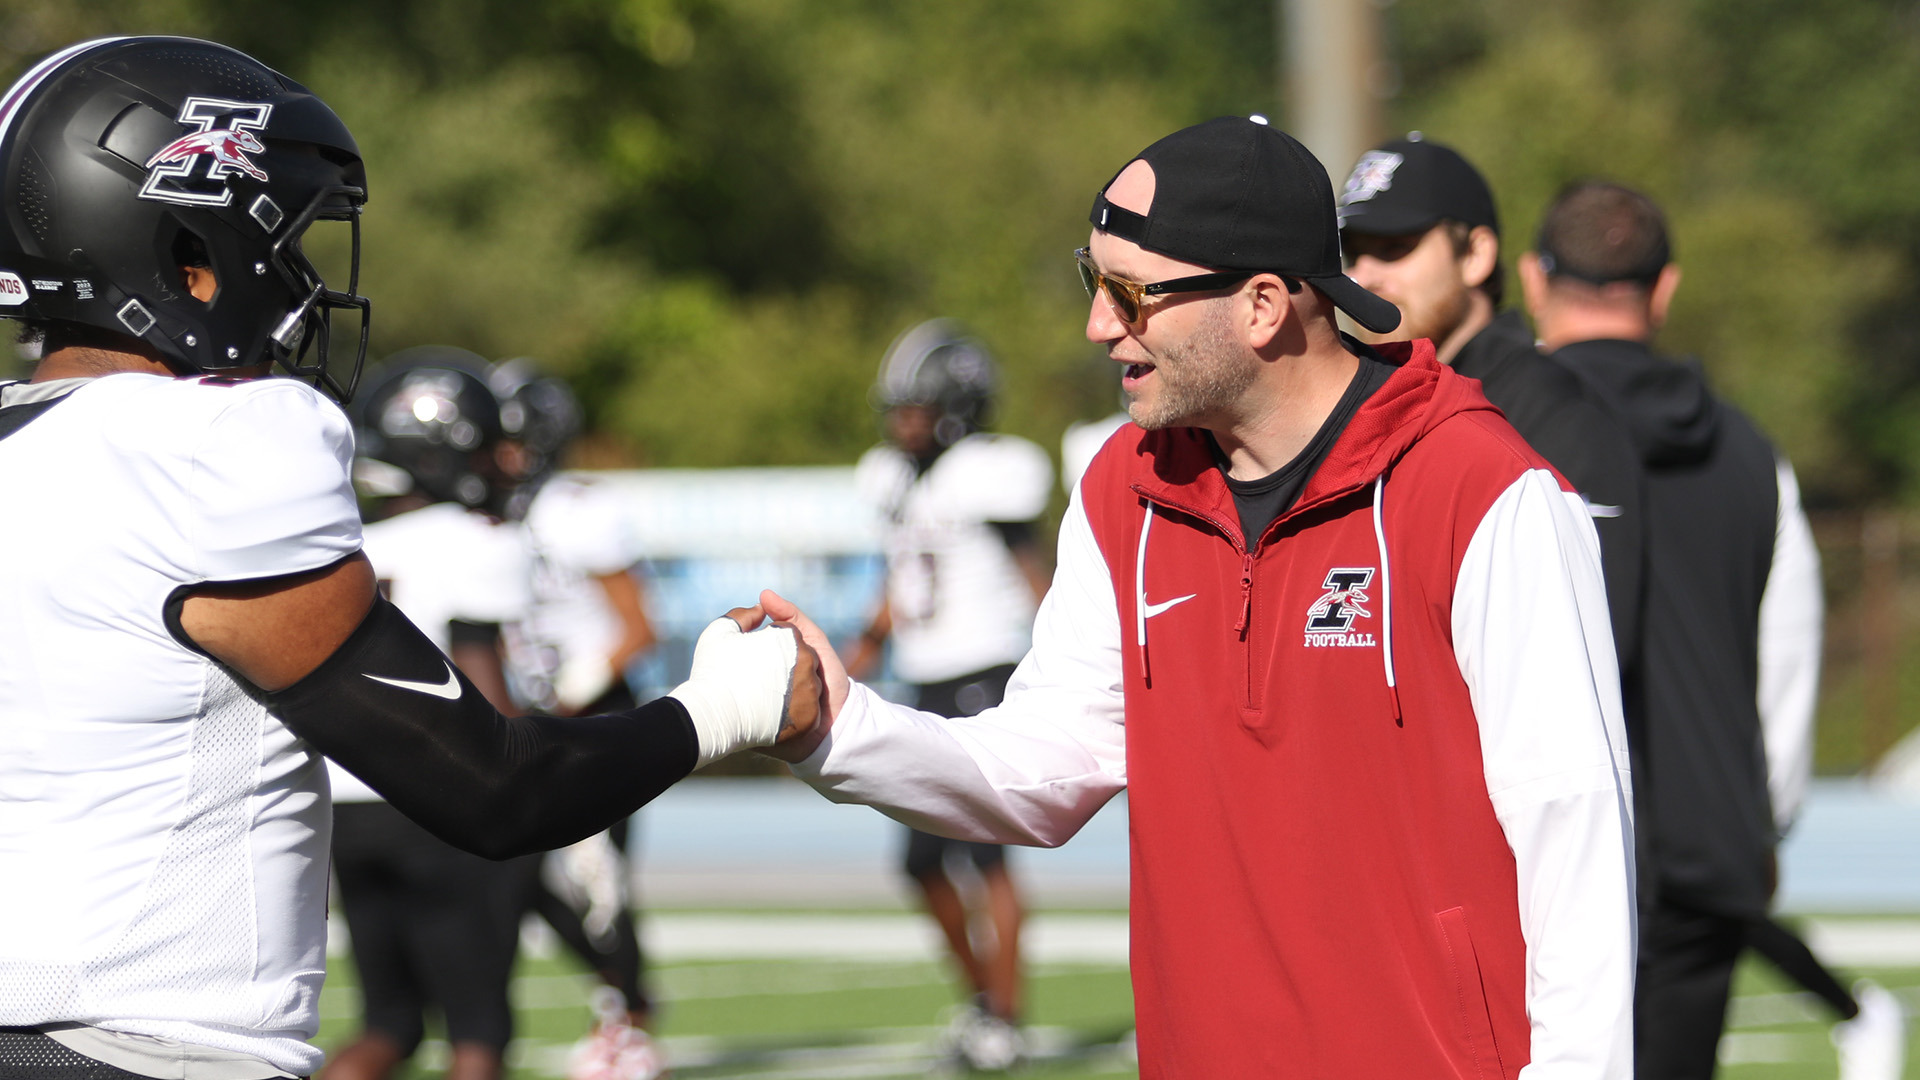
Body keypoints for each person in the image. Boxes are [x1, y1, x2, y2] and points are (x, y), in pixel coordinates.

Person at [0, 36, 818, 1080]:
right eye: (279, 243)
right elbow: (495, 792)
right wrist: (728, 709)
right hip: (149, 1051)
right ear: (183, 255)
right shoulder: (207, 448)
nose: (298, 282)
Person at [761, 116, 1636, 1077]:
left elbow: (1575, 834)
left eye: (1130, 292)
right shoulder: (1118, 490)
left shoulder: (1483, 490)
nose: (1100, 325)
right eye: (1092, 283)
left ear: (1263, 304)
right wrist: (834, 727)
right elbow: (1042, 766)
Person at [1520, 180, 1901, 1080]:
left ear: (1534, 281)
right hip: (1701, 854)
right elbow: (1788, 659)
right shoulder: (1750, 453)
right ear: (1664, 289)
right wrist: (1760, 827)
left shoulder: (1501, 424)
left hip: (1539, 849)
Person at [1337, 135, 1645, 676]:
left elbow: (1582, 662)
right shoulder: (1367, 406)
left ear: (1476, 254)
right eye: (1351, 253)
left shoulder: (1555, 414)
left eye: (1394, 248)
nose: (1364, 276)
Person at [322, 355, 538, 1080]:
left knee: (388, 1023)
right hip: (437, 804)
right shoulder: (480, 541)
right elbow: (486, 694)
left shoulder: (342, 543)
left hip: (345, 805)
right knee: (476, 1030)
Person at [845, 320, 1051, 1071]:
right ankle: (982, 1001)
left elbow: (1038, 575)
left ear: (957, 408)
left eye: (917, 409)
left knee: (984, 861)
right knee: (920, 863)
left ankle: (1005, 1016)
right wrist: (862, 648)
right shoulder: (895, 476)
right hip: (925, 676)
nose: (903, 424)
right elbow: (902, 577)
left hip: (985, 674)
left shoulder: (988, 472)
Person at [489, 359, 667, 1080]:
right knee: (524, 877)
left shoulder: (579, 509)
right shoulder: (493, 514)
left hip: (595, 718)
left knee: (598, 883)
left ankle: (632, 1028)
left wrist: (567, 695)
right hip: (536, 715)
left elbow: (637, 628)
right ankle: (633, 996)